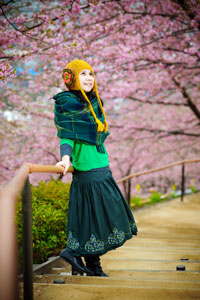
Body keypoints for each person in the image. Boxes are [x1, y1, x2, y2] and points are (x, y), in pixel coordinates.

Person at [53, 59, 138, 277]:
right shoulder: (67, 102)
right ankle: (73, 253)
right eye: (83, 74)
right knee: (96, 218)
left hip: (103, 168)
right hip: (88, 174)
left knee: (99, 217)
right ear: (71, 78)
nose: (89, 78)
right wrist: (65, 158)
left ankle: (92, 266)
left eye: (91, 74)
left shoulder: (95, 102)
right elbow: (67, 137)